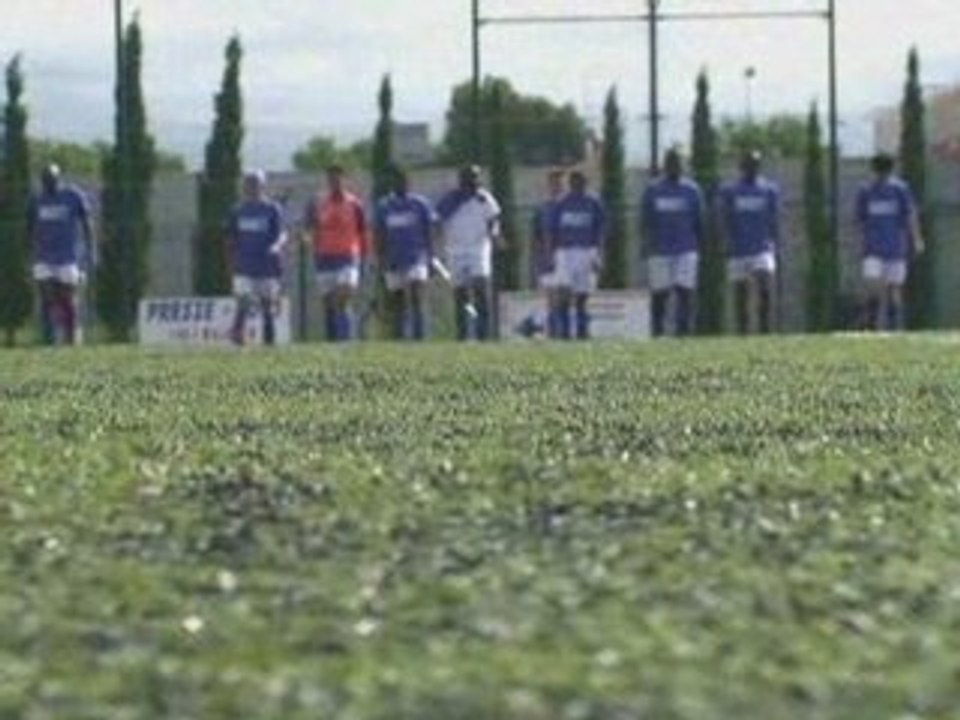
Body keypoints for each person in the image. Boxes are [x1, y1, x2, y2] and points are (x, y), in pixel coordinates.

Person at [27, 164, 94, 346]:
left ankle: (71, 338)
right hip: (44, 257)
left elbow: (86, 222)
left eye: (51, 181)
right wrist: (30, 251)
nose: (48, 185)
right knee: (46, 298)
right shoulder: (38, 200)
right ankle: (48, 339)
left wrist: (90, 248)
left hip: (67, 257)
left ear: (58, 179)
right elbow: (30, 226)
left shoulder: (73, 196)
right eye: (45, 182)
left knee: (67, 299)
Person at [857, 152, 924, 331]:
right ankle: (872, 325)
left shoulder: (900, 190)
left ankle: (893, 327)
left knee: (894, 289)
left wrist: (916, 238)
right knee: (874, 286)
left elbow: (910, 215)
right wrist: (862, 242)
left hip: (894, 248)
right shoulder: (866, 191)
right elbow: (861, 220)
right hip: (873, 249)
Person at [641, 149, 704, 337]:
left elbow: (699, 221)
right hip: (659, 250)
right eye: (671, 163)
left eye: (678, 163)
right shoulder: (653, 190)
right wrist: (646, 245)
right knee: (660, 294)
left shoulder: (692, 190)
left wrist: (699, 246)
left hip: (686, 249)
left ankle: (683, 333)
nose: (675, 167)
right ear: (665, 166)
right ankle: (657, 332)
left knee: (685, 292)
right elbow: (646, 221)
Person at [303, 165, 369, 342]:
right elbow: (309, 227)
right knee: (329, 304)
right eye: (331, 178)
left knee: (343, 297)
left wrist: (364, 256)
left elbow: (362, 232)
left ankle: (346, 340)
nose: (335, 182)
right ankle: (332, 342)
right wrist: (308, 238)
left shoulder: (354, 204)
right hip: (324, 257)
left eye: (338, 178)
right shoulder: (318, 203)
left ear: (344, 180)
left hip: (348, 256)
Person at [436, 165, 501, 341]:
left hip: (478, 249)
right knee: (461, 294)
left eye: (476, 178)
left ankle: (484, 334)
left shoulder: (484, 198)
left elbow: (493, 220)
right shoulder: (451, 199)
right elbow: (438, 220)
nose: (473, 181)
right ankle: (462, 334)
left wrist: (494, 236)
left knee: (481, 289)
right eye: (470, 178)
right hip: (456, 250)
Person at [721, 150, 780, 334]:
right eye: (748, 165)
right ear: (742, 167)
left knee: (765, 289)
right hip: (739, 249)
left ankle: (765, 331)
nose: (752, 168)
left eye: (755, 165)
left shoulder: (769, 190)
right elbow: (725, 218)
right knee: (741, 294)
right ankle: (742, 333)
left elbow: (774, 218)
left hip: (762, 248)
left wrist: (775, 243)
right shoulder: (730, 191)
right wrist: (726, 242)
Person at [375, 166, 436, 341]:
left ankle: (420, 336)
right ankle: (399, 336)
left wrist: (431, 256)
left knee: (417, 295)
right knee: (397, 301)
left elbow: (429, 231)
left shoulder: (420, 204)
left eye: (404, 182)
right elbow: (379, 234)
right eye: (397, 182)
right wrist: (380, 259)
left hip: (417, 257)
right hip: (393, 260)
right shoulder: (385, 206)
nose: (401, 185)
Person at [227, 170, 287, 346]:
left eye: (255, 183)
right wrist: (231, 263)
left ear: (262, 186)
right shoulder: (237, 211)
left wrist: (276, 247)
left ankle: (269, 343)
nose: (251, 187)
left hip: (266, 265)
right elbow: (231, 239)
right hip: (244, 265)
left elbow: (282, 234)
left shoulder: (272, 209)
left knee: (267, 305)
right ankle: (238, 337)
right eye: (248, 183)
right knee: (243, 301)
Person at [549, 170, 605, 340]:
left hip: (587, 251)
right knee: (564, 295)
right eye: (574, 182)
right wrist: (552, 254)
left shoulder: (593, 202)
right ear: (570, 184)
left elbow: (600, 230)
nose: (578, 185)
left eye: (581, 181)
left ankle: (582, 332)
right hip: (565, 252)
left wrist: (599, 254)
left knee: (582, 295)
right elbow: (552, 231)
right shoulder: (561, 203)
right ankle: (564, 333)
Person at [532, 169, 565, 338]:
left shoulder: (570, 206)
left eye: (560, 183)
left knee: (566, 297)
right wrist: (540, 258)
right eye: (554, 183)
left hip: (567, 256)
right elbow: (537, 236)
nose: (557, 186)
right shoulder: (543, 208)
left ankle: (565, 333)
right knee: (551, 297)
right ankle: (553, 333)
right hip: (548, 258)